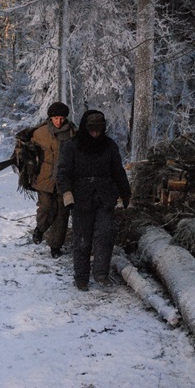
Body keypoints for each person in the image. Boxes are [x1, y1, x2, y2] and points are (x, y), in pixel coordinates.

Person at [57, 110, 131, 291]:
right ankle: (81, 277)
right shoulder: (72, 146)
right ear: (85, 128)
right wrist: (66, 192)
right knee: (82, 239)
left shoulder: (109, 146)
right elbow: (63, 172)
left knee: (106, 234)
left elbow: (118, 171)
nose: (95, 133)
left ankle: (101, 274)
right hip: (80, 197)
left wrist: (125, 192)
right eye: (92, 130)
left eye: (99, 130)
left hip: (105, 196)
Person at [30, 102, 76, 258]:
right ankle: (40, 229)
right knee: (46, 207)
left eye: (62, 118)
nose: (59, 121)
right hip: (45, 179)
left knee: (62, 214)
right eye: (56, 118)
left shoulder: (73, 133)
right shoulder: (40, 132)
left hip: (65, 180)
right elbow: (29, 151)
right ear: (50, 118)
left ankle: (55, 246)